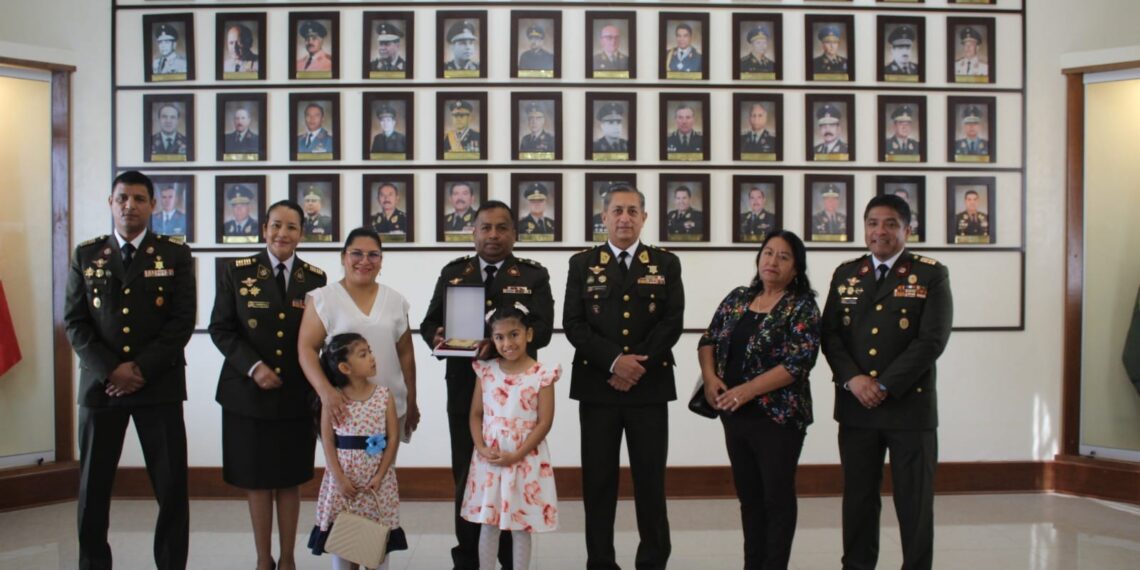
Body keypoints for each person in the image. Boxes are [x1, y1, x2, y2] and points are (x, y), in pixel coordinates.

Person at [65, 170, 196, 569]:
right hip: (101, 389)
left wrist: (137, 369)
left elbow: (181, 321)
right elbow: (75, 321)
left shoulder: (175, 254)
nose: (130, 206)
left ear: (154, 206)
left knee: (171, 488)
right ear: (111, 202)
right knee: (92, 489)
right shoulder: (87, 254)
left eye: (139, 199)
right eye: (122, 198)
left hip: (158, 386)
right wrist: (112, 371)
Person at [420, 201, 555, 569]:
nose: (493, 235)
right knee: (468, 477)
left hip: (517, 401)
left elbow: (542, 329)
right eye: (485, 228)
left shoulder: (533, 276)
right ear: (473, 232)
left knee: (514, 478)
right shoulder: (454, 273)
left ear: (514, 233)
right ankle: (467, 559)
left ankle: (512, 561)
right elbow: (427, 324)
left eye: (501, 228)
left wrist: (496, 348)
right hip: (467, 391)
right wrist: (442, 337)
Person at [821, 194, 953, 570]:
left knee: (914, 502)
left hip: (909, 407)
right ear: (864, 229)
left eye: (891, 223)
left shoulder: (930, 273)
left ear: (907, 230)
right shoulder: (847, 273)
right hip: (856, 408)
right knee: (859, 500)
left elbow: (932, 340)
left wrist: (883, 385)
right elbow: (830, 336)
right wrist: (854, 380)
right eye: (873, 223)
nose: (881, 231)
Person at [563, 185, 685, 569]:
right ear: (604, 217)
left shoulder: (665, 263)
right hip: (598, 389)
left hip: (648, 390)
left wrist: (635, 368)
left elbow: (672, 322)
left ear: (645, 218)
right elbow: (574, 325)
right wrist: (616, 362)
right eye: (617, 211)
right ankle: (600, 561)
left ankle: (652, 561)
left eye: (633, 211)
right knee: (598, 484)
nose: (625, 218)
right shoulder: (583, 264)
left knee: (651, 483)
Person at [209, 200, 327, 570]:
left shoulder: (315, 279)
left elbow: (318, 337)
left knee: (290, 479)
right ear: (264, 229)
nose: (283, 234)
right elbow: (221, 329)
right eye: (276, 225)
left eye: (292, 227)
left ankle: (289, 558)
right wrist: (253, 366)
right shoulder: (237, 271)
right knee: (257, 480)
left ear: (301, 234)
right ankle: (264, 559)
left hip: (295, 395)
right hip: (247, 394)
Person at [698, 230, 821, 570]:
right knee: (749, 499)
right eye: (768, 253)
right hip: (734, 416)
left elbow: (799, 362)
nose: (773, 261)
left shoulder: (801, 306)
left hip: (778, 418)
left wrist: (748, 390)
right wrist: (710, 379)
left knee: (776, 498)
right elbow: (708, 340)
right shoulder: (738, 297)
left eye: (784, 257)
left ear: (796, 268)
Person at [298, 227, 421, 450]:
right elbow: (306, 349)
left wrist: (412, 400)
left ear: (381, 261)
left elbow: (405, 354)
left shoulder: (395, 301)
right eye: (357, 253)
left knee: (383, 477)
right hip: (343, 408)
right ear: (343, 257)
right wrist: (325, 391)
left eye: (373, 255)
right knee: (346, 477)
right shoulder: (323, 299)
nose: (365, 260)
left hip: (389, 407)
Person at [462, 305, 560, 570]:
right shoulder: (486, 371)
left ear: (528, 334)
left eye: (514, 334)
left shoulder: (543, 374)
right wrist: (481, 447)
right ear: (492, 339)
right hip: (491, 458)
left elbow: (544, 422)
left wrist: (517, 454)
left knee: (520, 524)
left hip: (525, 457)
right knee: (489, 523)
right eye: (499, 337)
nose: (507, 343)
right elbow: (475, 414)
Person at [307, 333, 408, 568]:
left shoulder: (384, 395)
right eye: (363, 354)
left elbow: (392, 437)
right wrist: (339, 478)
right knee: (345, 539)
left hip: (377, 484)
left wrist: (381, 475)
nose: (372, 357)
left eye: (370, 351)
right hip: (344, 483)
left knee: (378, 540)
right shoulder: (333, 400)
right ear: (344, 367)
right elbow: (328, 441)